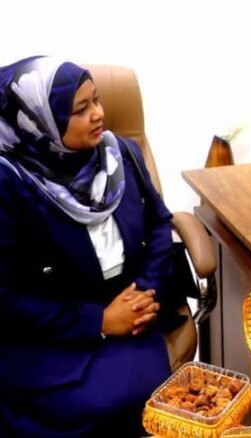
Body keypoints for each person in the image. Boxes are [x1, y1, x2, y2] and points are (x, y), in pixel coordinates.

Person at [0, 56, 175, 436]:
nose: (99, 114)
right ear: (38, 120)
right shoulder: (10, 183)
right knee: (83, 411)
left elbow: (160, 222)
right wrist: (99, 321)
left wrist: (145, 292)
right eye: (80, 109)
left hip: (131, 308)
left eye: (97, 100)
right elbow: (7, 296)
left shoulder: (121, 153)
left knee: (145, 399)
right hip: (53, 330)